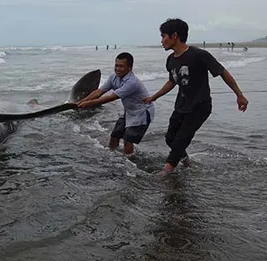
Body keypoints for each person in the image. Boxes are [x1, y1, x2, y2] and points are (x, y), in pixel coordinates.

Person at [142, 18, 248, 175]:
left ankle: (167, 171)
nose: (161, 40)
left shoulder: (199, 55)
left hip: (200, 106)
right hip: (181, 105)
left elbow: (222, 72)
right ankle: (185, 162)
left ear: (175, 36)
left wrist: (239, 95)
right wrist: (154, 96)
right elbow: (172, 81)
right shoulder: (171, 60)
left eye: (163, 36)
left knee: (182, 138)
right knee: (170, 138)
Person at [77, 52, 155, 156]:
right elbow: (99, 92)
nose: (118, 69)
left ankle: (129, 160)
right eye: (116, 65)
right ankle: (111, 156)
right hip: (129, 111)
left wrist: (89, 104)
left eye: (121, 66)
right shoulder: (113, 77)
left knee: (128, 140)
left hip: (142, 113)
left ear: (130, 68)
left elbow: (111, 98)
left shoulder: (132, 83)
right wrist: (82, 101)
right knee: (115, 135)